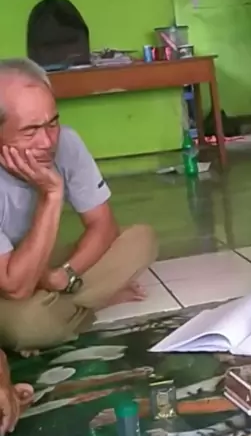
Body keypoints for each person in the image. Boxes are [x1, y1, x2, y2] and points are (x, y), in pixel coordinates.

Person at [0, 58, 158, 352]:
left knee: (140, 241)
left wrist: (64, 275)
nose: (47, 142)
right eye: (30, 131)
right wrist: (51, 195)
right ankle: (90, 302)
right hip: (7, 279)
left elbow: (104, 226)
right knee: (26, 328)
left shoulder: (66, 143)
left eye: (52, 123)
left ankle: (60, 306)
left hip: (39, 264)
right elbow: (14, 286)